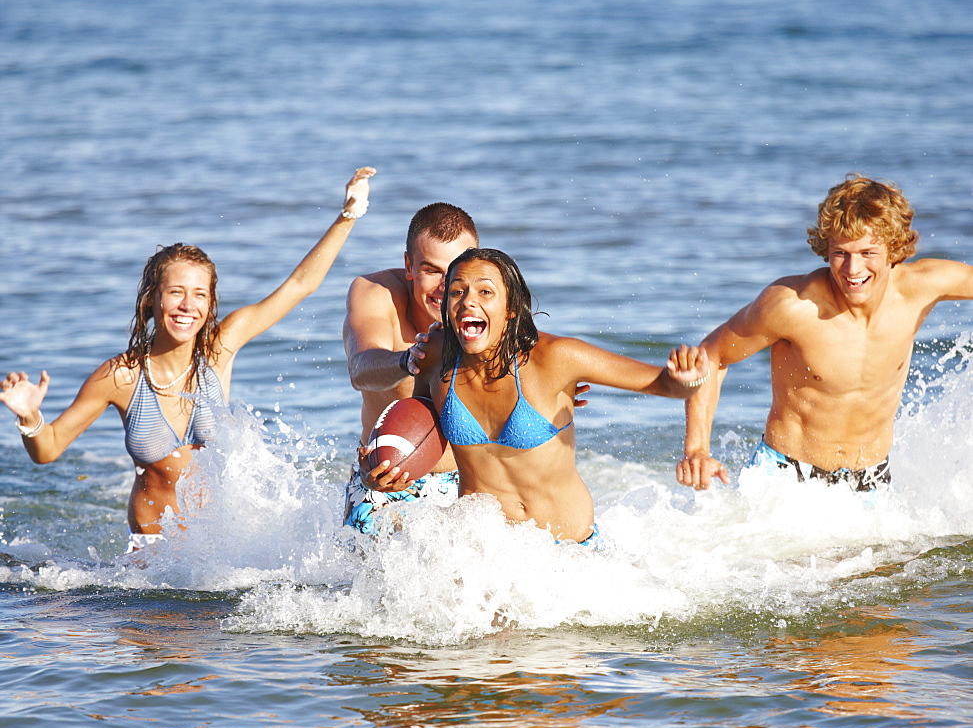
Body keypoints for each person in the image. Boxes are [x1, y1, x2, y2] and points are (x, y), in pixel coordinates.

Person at [1, 167, 376, 550]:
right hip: (150, 553)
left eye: (199, 295)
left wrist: (349, 214)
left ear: (211, 303)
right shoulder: (121, 376)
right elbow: (48, 450)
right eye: (175, 292)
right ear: (152, 299)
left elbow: (300, 285)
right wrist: (29, 418)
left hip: (214, 550)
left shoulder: (220, 349)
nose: (187, 306)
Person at [676, 174, 973, 493]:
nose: (853, 270)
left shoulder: (924, 287)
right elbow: (712, 354)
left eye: (867, 253)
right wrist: (696, 450)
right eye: (840, 253)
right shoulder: (792, 306)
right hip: (785, 478)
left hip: (871, 482)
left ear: (893, 247)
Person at [407, 247, 709, 544]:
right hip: (484, 555)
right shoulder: (435, 356)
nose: (468, 301)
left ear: (511, 309)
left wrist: (688, 379)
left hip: (567, 556)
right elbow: (421, 429)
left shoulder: (555, 358)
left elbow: (666, 386)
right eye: (457, 292)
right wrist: (391, 468)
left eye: (485, 292)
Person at [341, 203, 479, 534]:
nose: (446, 287)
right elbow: (361, 368)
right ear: (409, 266)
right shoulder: (375, 293)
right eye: (432, 270)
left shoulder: (489, 305)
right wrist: (407, 359)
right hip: (384, 480)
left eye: (457, 270)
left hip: (469, 482)